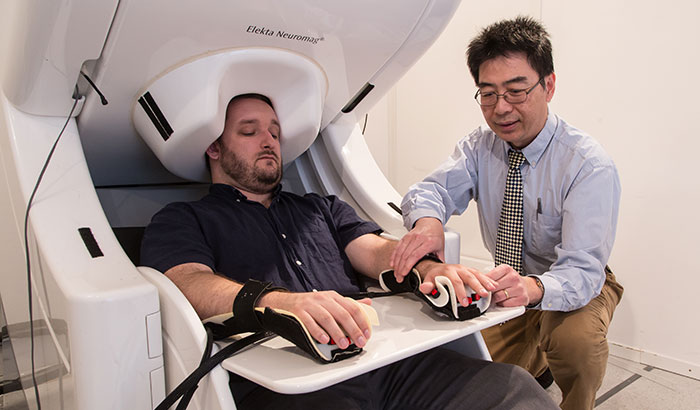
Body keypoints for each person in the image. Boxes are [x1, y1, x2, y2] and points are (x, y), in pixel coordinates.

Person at [141, 93, 557, 410]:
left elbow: (376, 252)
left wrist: (429, 269)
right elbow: (186, 282)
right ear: (213, 148)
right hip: (291, 386)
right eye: (249, 132)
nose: (268, 141)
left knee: (515, 390)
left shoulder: (320, 207)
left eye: (273, 132)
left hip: (381, 361)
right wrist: (276, 303)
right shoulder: (182, 218)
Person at [390, 16, 624, 410]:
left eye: (516, 91)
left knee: (575, 343)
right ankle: (536, 361)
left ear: (548, 85)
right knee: (466, 360)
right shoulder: (479, 148)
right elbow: (430, 190)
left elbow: (583, 270)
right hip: (509, 282)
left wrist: (533, 290)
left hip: (577, 283)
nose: (501, 108)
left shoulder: (587, 164)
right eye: (487, 93)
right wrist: (428, 222)